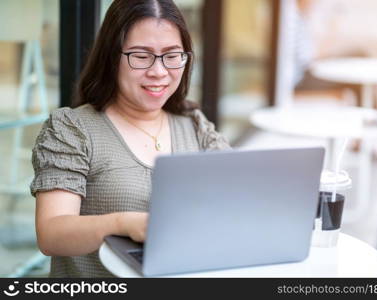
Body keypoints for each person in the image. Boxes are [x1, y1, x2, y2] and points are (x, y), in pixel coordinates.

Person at [30, 0, 230, 278]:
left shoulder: (195, 125)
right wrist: (124, 223)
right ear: (112, 58)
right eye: (141, 56)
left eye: (172, 56)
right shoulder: (72, 129)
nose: (159, 72)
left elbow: (235, 200)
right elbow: (51, 234)